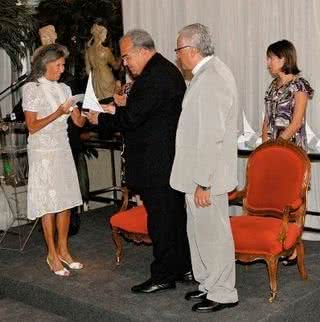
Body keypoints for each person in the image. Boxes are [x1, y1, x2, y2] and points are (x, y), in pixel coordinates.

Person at [86, 29, 192, 293]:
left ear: (143, 51)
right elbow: (143, 112)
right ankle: (182, 267)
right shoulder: (163, 71)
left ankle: (164, 275)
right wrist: (118, 108)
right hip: (165, 159)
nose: (124, 63)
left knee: (162, 221)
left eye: (126, 57)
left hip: (156, 162)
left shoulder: (154, 77)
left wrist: (99, 118)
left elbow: (131, 120)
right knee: (173, 218)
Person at [170, 23, 239, 313]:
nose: (177, 55)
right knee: (198, 233)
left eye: (178, 49)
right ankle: (208, 284)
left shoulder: (213, 78)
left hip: (205, 177)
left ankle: (223, 292)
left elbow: (212, 135)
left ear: (192, 50)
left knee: (214, 236)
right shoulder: (205, 75)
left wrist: (204, 182)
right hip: (195, 174)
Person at [22, 44, 86, 276]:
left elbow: (78, 123)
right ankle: (51, 253)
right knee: (48, 202)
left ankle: (64, 250)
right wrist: (59, 113)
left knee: (66, 199)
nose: (61, 69)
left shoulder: (65, 89)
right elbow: (32, 126)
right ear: (45, 64)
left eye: (63, 65)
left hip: (62, 148)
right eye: (58, 65)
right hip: (42, 151)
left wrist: (85, 111)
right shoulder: (32, 88)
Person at [262, 39, 314, 265]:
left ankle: (293, 246)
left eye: (271, 57)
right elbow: (267, 117)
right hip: (272, 147)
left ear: (283, 59)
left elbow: (296, 121)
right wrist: (264, 141)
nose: (268, 62)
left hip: (290, 148)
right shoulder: (273, 86)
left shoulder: (299, 85)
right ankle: (278, 240)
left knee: (294, 196)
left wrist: (278, 144)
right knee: (275, 195)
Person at [85, 23, 119, 99]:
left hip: (95, 79)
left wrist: (94, 78)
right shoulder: (105, 50)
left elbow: (87, 71)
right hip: (106, 78)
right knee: (110, 102)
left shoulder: (88, 51)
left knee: (99, 105)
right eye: (105, 34)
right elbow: (116, 66)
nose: (106, 37)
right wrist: (120, 58)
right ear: (99, 35)